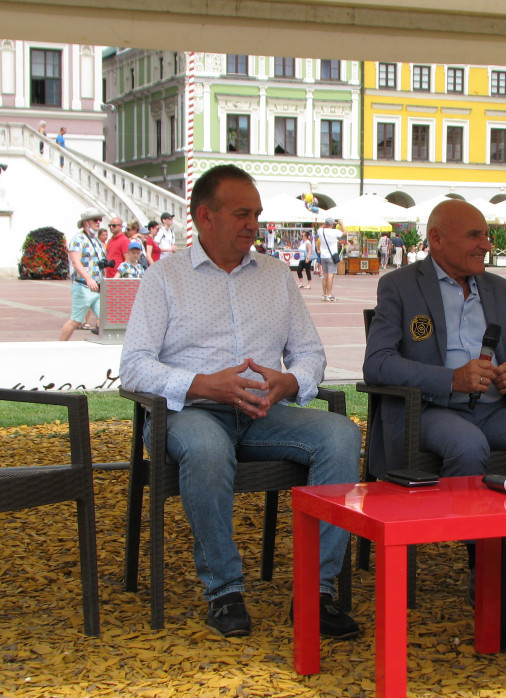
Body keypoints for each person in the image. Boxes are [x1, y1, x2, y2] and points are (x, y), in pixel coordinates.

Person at [119, 164, 361, 639]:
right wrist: (204, 384)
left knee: (341, 434)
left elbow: (310, 353)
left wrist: (290, 383)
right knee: (208, 449)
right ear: (205, 217)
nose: (254, 224)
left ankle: (317, 593)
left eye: (257, 214)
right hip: (189, 413)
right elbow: (134, 367)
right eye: (242, 213)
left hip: (265, 412)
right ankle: (224, 590)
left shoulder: (275, 275)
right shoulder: (164, 277)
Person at [363, 199, 506, 622]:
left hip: (496, 409)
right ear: (437, 239)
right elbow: (378, 364)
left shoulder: (502, 290)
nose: (486, 243)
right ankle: (482, 568)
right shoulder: (402, 286)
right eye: (474, 236)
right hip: (430, 410)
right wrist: (450, 379)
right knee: (468, 443)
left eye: (486, 234)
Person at [59, 208, 105, 340]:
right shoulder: (78, 239)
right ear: (86, 223)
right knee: (76, 320)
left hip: (97, 287)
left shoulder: (97, 241)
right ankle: (59, 345)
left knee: (105, 319)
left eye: (99, 220)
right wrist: (88, 279)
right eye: (95, 220)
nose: (98, 222)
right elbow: (75, 262)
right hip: (83, 286)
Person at [316, 217, 344, 302]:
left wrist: (325, 223)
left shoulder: (321, 231)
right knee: (330, 275)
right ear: (332, 224)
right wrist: (341, 224)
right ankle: (329, 294)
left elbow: (319, 228)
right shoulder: (334, 232)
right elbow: (344, 234)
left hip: (323, 256)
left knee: (325, 275)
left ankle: (324, 294)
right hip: (331, 256)